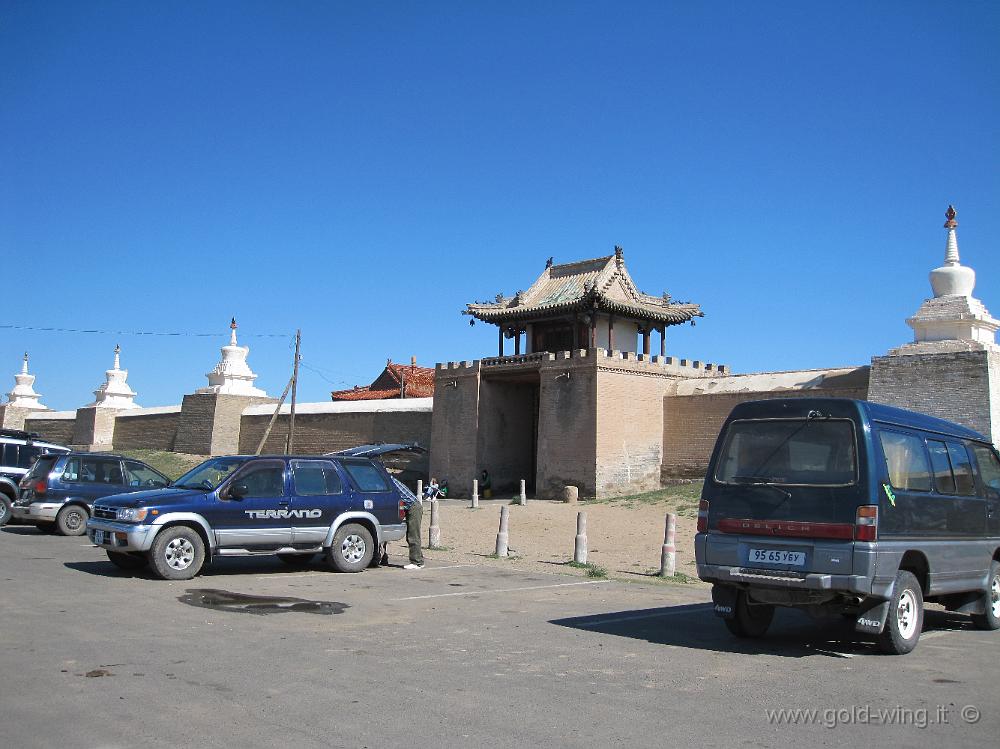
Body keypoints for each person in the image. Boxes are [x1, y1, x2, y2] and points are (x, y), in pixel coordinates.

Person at [392, 477, 424, 570]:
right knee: (412, 534)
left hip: (413, 507)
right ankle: (419, 559)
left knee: (413, 535)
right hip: (411, 507)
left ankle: (416, 562)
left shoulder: (390, 481)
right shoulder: (391, 479)